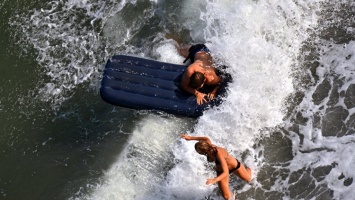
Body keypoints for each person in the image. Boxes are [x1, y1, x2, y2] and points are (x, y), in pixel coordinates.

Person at [181, 134, 252, 200]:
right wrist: (190, 138)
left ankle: (250, 168)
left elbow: (226, 172)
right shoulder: (207, 145)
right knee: (226, 197)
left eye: (200, 153)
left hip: (233, 166)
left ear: (205, 151)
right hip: (221, 170)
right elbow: (205, 138)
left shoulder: (218, 153)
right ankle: (233, 197)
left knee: (248, 179)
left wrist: (214, 180)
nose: (201, 154)